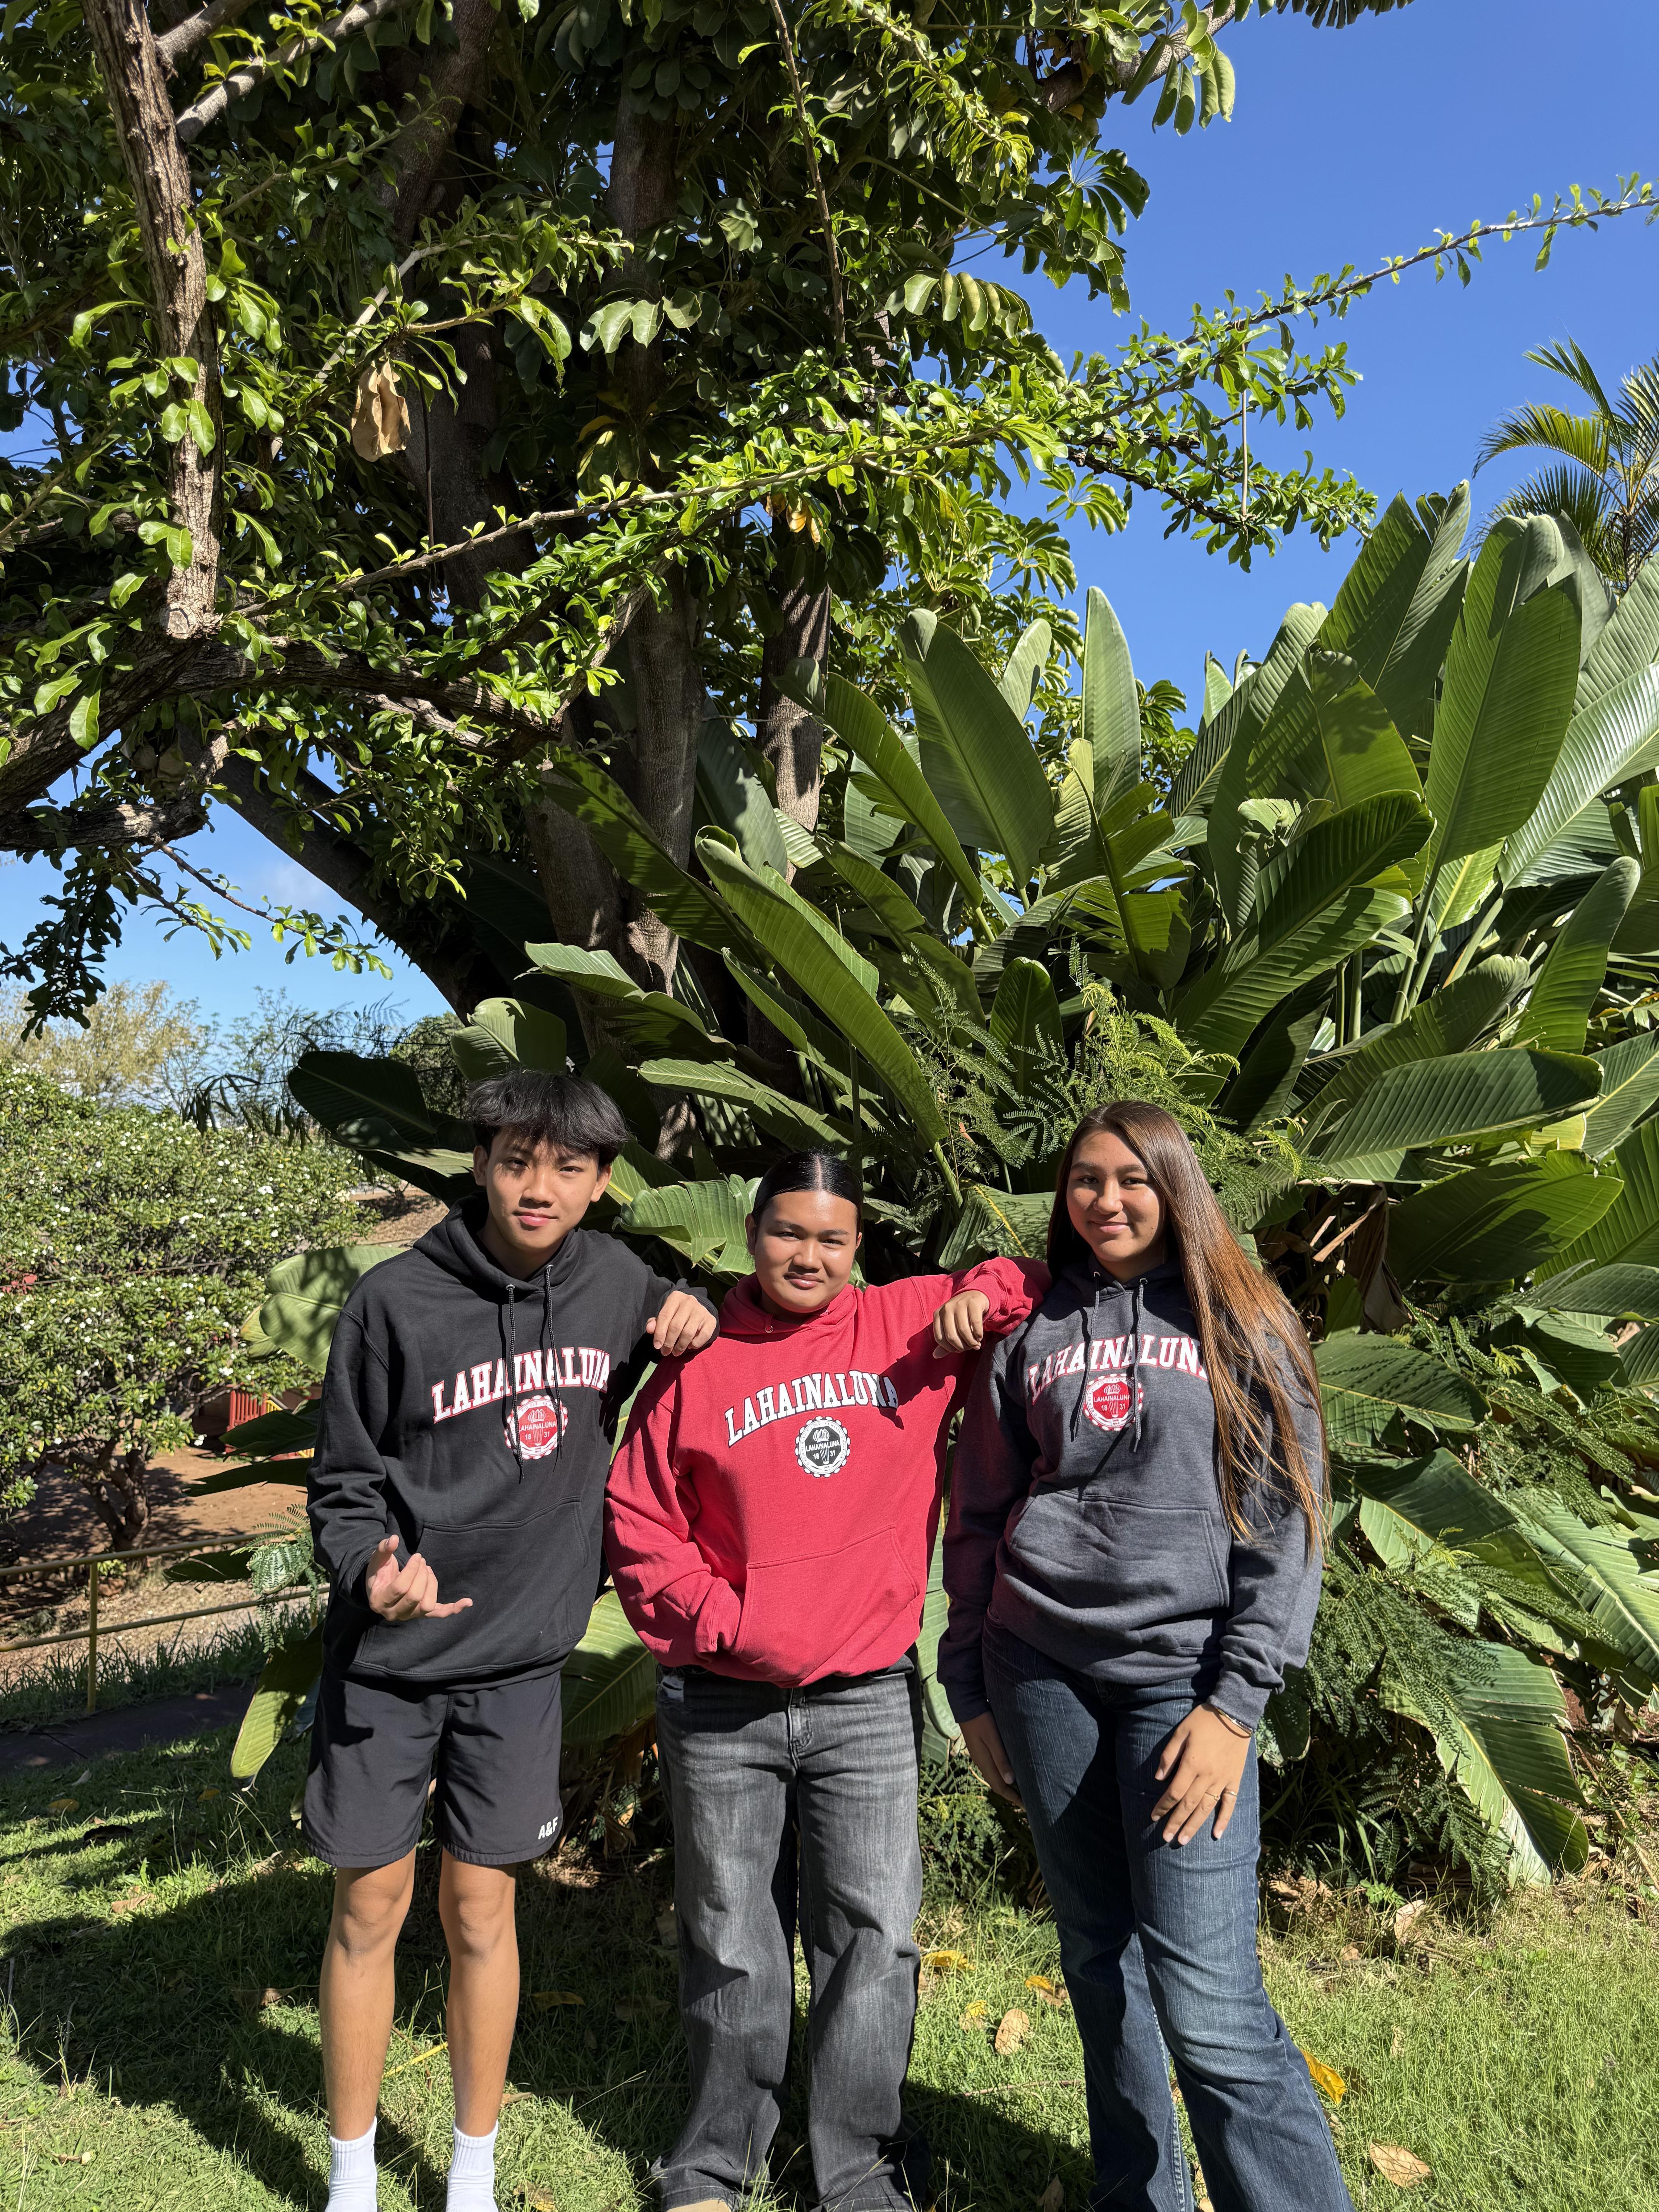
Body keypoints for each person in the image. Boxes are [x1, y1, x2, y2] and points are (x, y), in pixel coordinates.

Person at [305, 1069, 718, 2212]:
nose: (541, 1187)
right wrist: (373, 1568)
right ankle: (350, 2176)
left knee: (484, 1910)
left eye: (570, 1166)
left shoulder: (616, 1281)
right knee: (370, 1905)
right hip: (389, 1668)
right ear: (481, 1164)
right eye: (518, 1161)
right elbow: (342, 1485)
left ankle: (472, 2172)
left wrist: (694, 1310)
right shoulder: (393, 1301)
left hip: (521, 1668)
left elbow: (682, 1346)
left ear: (599, 1179)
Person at [605, 1149, 1046, 2212]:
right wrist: (727, 1625)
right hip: (721, 1700)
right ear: (751, 1236)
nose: (807, 1254)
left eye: (830, 1238)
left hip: (862, 1700)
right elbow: (638, 1519)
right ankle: (716, 2159)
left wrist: (980, 1297)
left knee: (871, 1936)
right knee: (729, 1936)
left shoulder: (902, 1320)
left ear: (857, 1248)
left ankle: (856, 2169)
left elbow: (1019, 1277)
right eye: (787, 1233)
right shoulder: (699, 1357)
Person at [939, 1101, 1352, 2212]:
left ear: (1175, 1187)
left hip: (1185, 1691)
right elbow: (977, 1513)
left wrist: (1232, 1711)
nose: (1105, 1200)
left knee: (1209, 2005)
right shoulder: (1025, 1327)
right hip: (1041, 1672)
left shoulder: (1241, 1324)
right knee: (1097, 1964)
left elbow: (1285, 1527)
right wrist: (968, 1682)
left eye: (1130, 1179)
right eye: (1083, 1179)